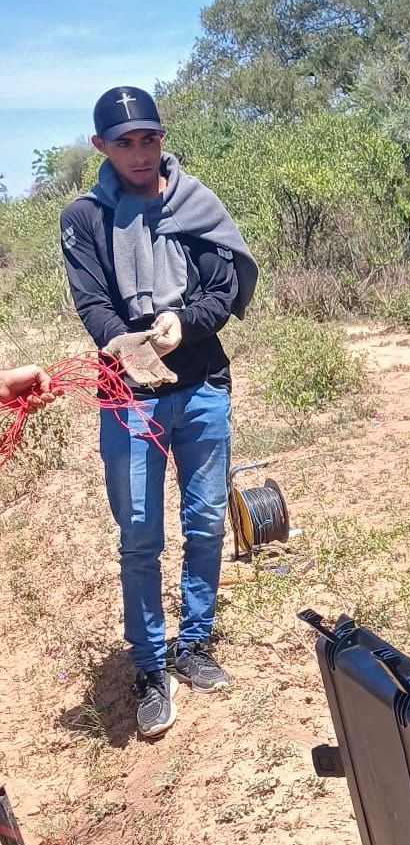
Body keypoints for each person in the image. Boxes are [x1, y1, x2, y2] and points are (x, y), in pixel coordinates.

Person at [61, 86, 258, 739]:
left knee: (205, 521)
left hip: (201, 383)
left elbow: (221, 290)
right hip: (129, 393)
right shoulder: (85, 218)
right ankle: (149, 668)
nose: (140, 153)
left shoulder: (194, 204)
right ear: (102, 146)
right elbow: (93, 301)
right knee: (140, 534)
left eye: (150, 138)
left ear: (163, 137)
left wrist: (183, 325)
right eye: (126, 142)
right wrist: (130, 346)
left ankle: (194, 643)